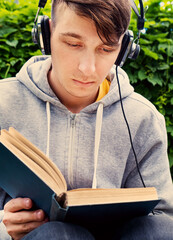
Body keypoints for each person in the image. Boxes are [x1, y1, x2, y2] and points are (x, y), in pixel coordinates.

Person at [0, 0, 173, 239]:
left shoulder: (143, 118)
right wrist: (5, 226)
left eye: (106, 49)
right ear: (46, 33)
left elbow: (164, 219)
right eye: (73, 43)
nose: (87, 68)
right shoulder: (3, 103)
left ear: (124, 49)